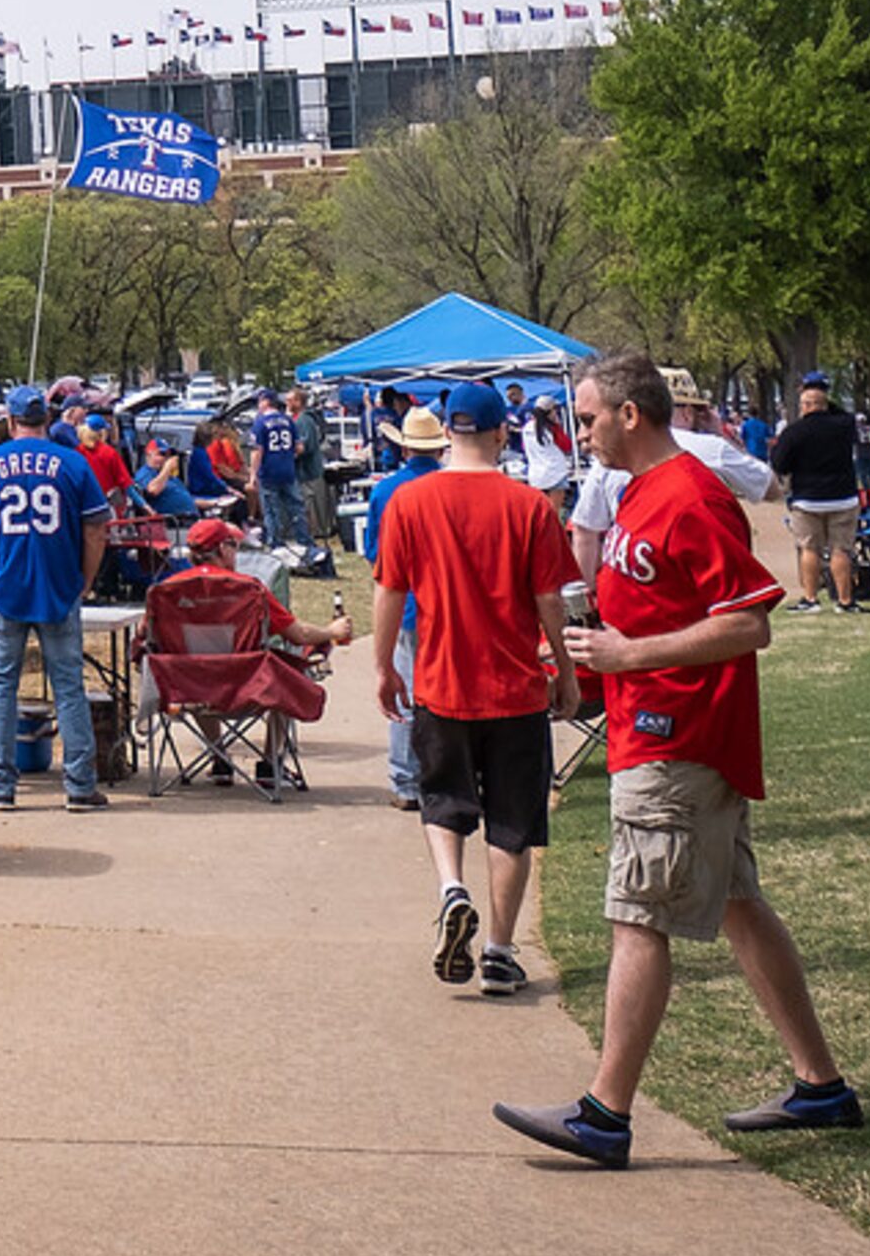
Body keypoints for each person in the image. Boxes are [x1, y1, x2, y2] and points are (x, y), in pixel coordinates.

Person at [495, 350, 862, 1168]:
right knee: (737, 904)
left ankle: (604, 1114)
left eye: (587, 418)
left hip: (678, 739)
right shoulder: (639, 494)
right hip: (655, 730)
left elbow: (749, 623)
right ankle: (821, 1086)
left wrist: (629, 657)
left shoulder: (693, 496)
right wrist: (591, 660)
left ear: (632, 414)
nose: (580, 432)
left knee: (638, 914)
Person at [371, 382, 580, 999]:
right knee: (513, 824)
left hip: (440, 682)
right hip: (514, 688)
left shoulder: (410, 502)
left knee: (443, 801)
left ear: (445, 436)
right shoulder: (531, 506)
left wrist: (385, 666)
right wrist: (564, 668)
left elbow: (389, 591)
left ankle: (451, 890)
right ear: (500, 434)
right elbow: (549, 599)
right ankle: (498, 951)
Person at [0, 386, 112, 812]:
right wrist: (85, 580)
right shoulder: (74, 463)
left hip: (4, 586)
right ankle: (80, 786)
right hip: (59, 586)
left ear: (9, 422)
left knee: (2, 686)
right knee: (68, 686)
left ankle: (1, 785)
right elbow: (97, 529)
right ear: (48, 419)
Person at [164, 519, 353, 784]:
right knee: (286, 672)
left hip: (187, 689)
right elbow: (299, 635)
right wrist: (332, 632)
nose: (236, 552)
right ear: (222, 549)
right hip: (248, 688)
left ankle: (218, 757)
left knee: (197, 665)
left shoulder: (166, 590)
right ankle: (269, 763)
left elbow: (145, 638)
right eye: (233, 545)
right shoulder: (248, 590)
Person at [569, 369, 772, 584]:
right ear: (687, 412)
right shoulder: (712, 448)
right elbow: (768, 486)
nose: (582, 435)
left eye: (588, 421)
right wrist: (720, 433)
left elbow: (585, 530)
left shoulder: (688, 487)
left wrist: (586, 597)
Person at [362, 405, 450, 813]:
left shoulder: (385, 491)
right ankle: (444, 774)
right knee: (449, 691)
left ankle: (405, 780)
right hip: (450, 602)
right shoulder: (453, 486)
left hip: (405, 604)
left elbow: (374, 555)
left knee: (405, 689)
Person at [767, 372, 861, 613]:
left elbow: (780, 464)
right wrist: (821, 393)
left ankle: (810, 598)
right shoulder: (844, 425)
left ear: (806, 406)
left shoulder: (795, 432)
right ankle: (845, 600)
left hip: (808, 498)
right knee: (842, 549)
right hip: (843, 496)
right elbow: (843, 414)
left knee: (810, 548)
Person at [249, 390, 314, 555]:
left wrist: (252, 476)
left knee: (272, 509)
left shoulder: (260, 423)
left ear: (266, 402)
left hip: (269, 472)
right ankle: (304, 541)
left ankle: (275, 543)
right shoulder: (288, 420)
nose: (258, 405)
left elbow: (257, 451)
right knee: (296, 507)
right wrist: (286, 456)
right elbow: (299, 447)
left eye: (260, 402)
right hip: (288, 470)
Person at [290, 388, 337, 547]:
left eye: (290, 400)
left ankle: (315, 532)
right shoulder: (297, 420)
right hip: (303, 472)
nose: (287, 403)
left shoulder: (304, 421)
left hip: (308, 471)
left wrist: (291, 454)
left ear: (298, 402)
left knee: (310, 504)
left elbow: (307, 446)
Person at [184, 418, 248, 521]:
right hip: (202, 488)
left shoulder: (200, 451)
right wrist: (228, 489)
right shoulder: (200, 454)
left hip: (207, 484)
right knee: (240, 498)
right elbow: (210, 477)